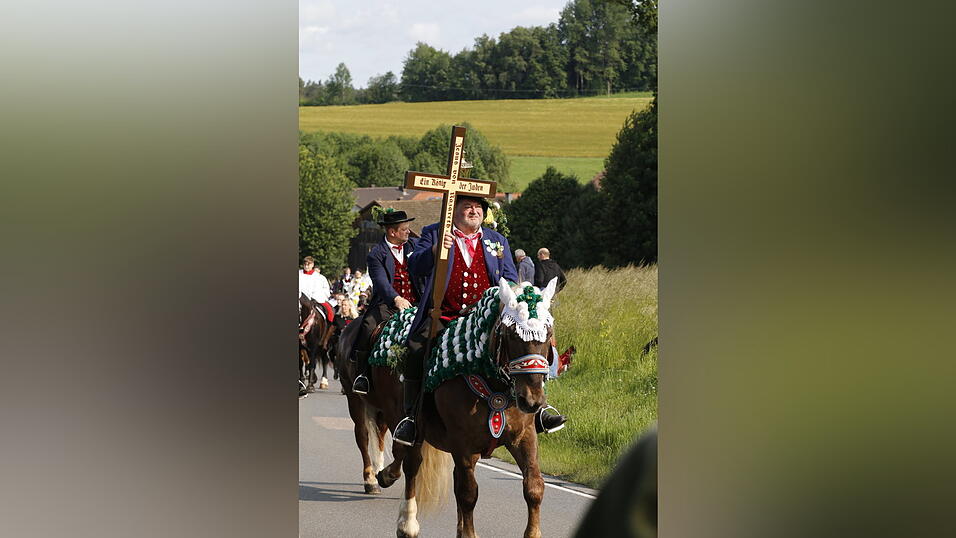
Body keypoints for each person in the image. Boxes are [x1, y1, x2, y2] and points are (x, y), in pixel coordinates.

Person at [392, 196, 566, 446]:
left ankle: (537, 410)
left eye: (478, 208)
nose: (473, 211)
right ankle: (412, 417)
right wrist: (435, 250)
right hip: (444, 314)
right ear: (453, 211)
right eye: (467, 207)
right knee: (417, 349)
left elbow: (509, 276)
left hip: (485, 316)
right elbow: (414, 267)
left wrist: (517, 299)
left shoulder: (497, 240)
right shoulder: (434, 233)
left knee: (527, 343)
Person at [351, 210, 423, 395]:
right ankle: (362, 375)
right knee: (368, 326)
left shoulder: (415, 245)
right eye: (405, 229)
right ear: (392, 232)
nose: (409, 232)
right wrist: (396, 298)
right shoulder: (376, 254)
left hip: (417, 301)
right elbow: (381, 281)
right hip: (388, 304)